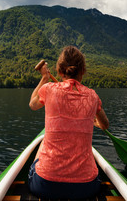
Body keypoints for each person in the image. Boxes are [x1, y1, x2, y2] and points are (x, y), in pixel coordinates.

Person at [28, 46, 109, 199]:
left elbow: (32, 105)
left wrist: (44, 78)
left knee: (43, 141)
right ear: (83, 70)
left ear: (59, 71)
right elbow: (105, 125)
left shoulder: (48, 89)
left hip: (45, 185)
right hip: (86, 187)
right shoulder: (93, 96)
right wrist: (92, 121)